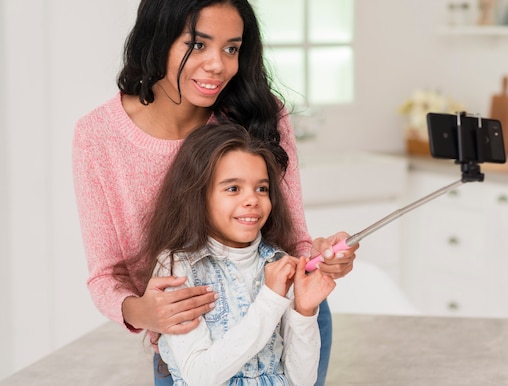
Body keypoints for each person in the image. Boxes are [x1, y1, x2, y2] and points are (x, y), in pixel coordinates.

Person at [72, 0, 358, 385]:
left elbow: (293, 241)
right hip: (190, 342)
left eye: (231, 48)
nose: (218, 65)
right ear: (157, 39)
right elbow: (106, 275)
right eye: (197, 44)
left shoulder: (261, 115)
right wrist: (145, 313)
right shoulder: (98, 138)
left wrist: (321, 259)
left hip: (290, 323)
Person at [129, 122, 336, 385]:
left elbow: (302, 381)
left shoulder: (278, 263)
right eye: (233, 188)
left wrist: (304, 313)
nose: (252, 199)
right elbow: (200, 375)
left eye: (261, 188)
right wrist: (271, 300)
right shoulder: (177, 268)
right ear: (198, 195)